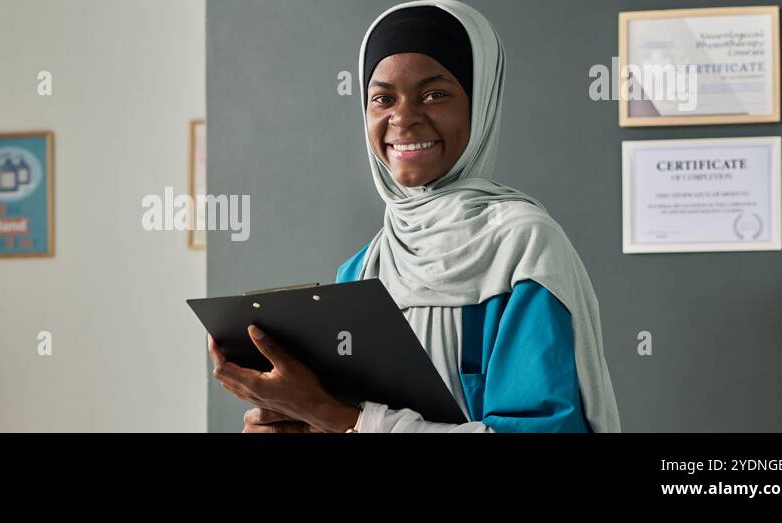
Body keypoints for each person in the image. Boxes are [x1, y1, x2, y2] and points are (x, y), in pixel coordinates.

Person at [207, 0, 620, 433]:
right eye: (382, 98)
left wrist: (332, 415)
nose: (403, 118)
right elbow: (347, 422)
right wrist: (299, 424)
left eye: (434, 94)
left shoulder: (524, 251)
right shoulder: (362, 271)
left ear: (480, 105)